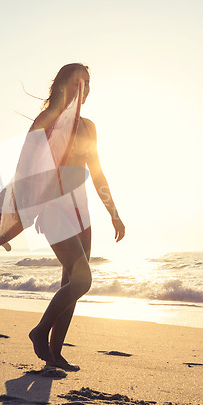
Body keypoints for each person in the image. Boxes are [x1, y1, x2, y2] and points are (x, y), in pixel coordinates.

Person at [28, 63, 125, 371]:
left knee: (71, 282)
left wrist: (114, 214)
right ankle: (40, 331)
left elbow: (97, 173)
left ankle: (54, 356)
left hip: (81, 214)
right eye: (74, 83)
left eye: (86, 83)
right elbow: (24, 169)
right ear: (61, 86)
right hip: (53, 211)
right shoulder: (47, 120)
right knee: (83, 279)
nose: (81, 88)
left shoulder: (89, 127)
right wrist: (10, 218)